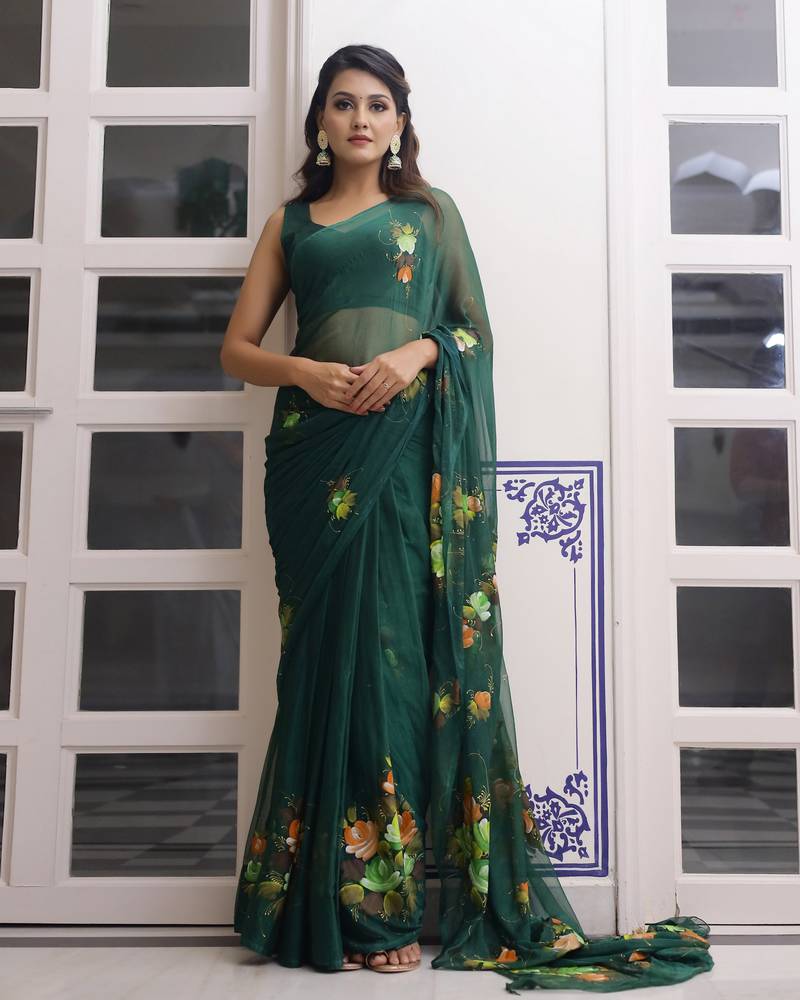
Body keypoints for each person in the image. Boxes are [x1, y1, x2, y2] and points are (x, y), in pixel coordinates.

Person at [220, 43, 715, 989]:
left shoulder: (431, 215)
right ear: (320, 122)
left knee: (395, 672)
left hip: (407, 462)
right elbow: (238, 350)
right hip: (314, 465)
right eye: (342, 104)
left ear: (401, 122)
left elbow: (474, 332)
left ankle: (386, 907)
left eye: (378, 105)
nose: (360, 119)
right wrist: (304, 371)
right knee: (324, 672)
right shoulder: (291, 225)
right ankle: (317, 900)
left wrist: (417, 354)